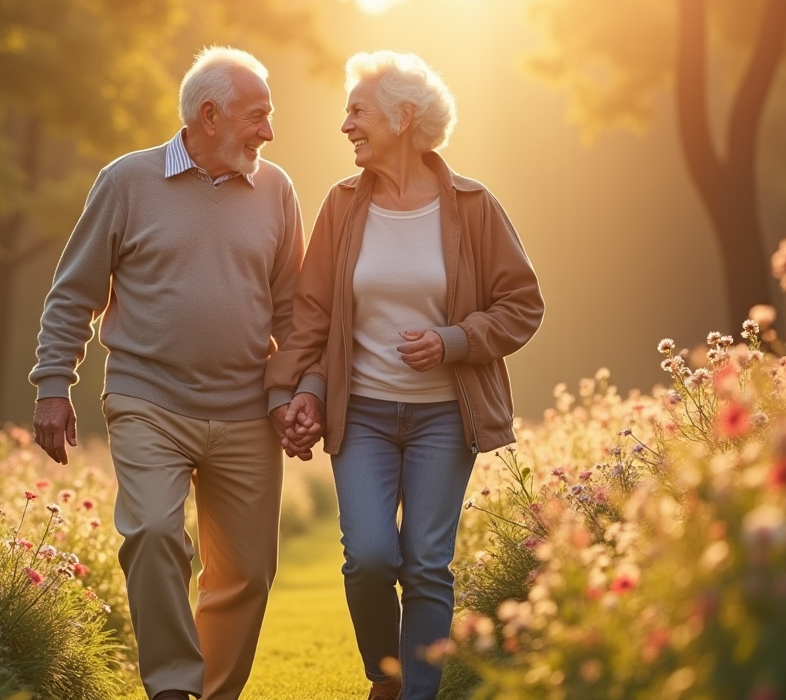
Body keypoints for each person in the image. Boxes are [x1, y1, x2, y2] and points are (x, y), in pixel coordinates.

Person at [265, 51, 544, 700]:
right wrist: (297, 391)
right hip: (359, 413)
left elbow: (522, 305)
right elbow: (312, 315)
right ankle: (385, 674)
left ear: (404, 118)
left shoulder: (474, 206)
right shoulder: (341, 205)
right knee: (368, 557)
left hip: (444, 417)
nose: (345, 126)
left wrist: (453, 341)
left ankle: (415, 693)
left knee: (425, 563)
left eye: (357, 112)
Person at [29, 46, 305, 700]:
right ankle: (174, 690)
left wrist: (294, 390)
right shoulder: (127, 182)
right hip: (147, 399)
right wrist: (51, 385)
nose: (269, 132)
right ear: (209, 115)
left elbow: (294, 309)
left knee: (246, 574)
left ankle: (213, 693)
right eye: (257, 115)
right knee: (154, 532)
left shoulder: (277, 190)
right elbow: (75, 293)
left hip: (246, 408)